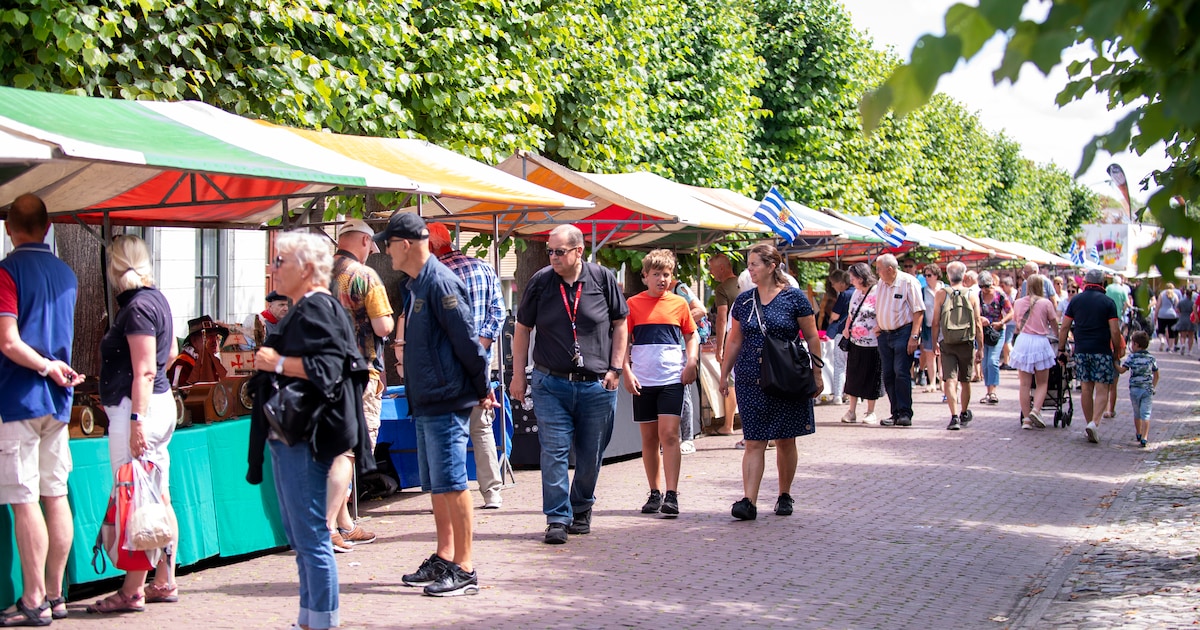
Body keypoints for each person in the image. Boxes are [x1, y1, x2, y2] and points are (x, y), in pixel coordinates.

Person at [248, 230, 373, 627]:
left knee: (312, 536)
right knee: (304, 536)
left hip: (305, 438)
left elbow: (328, 371)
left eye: (279, 262)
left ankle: (321, 620)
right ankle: (311, 617)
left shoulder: (317, 308)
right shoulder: (311, 307)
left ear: (305, 268)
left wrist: (277, 364)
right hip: (295, 436)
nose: (273, 270)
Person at [379, 214, 492, 596]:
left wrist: (482, 387)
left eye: (389, 242)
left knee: (453, 482)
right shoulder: (417, 285)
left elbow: (467, 342)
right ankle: (446, 556)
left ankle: (465, 567)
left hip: (446, 399)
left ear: (406, 244)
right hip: (428, 399)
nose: (385, 250)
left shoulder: (440, 283)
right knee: (439, 483)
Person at [509, 224, 628, 545]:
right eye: (550, 250)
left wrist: (616, 369)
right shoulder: (541, 282)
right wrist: (518, 374)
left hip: (596, 385)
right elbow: (522, 329)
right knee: (554, 452)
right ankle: (557, 518)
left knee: (591, 455)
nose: (553, 257)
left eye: (559, 251)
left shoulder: (602, 279)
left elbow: (620, 325)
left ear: (579, 251)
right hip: (551, 382)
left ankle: (582, 506)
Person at [0, 193, 85, 626]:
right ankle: (56, 594)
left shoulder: (6, 271)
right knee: (55, 495)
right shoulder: (66, 273)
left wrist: (46, 367)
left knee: (24, 498)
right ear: (48, 227)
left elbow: (9, 341)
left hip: (19, 397)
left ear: (8, 228)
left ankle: (32, 598)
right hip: (60, 402)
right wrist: (55, 367)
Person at [89, 234, 180, 614]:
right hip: (153, 404)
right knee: (156, 492)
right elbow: (170, 353)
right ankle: (164, 579)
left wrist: (137, 419)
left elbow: (144, 370)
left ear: (115, 267)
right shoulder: (155, 299)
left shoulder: (138, 307)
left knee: (136, 496)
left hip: (138, 408)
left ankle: (132, 589)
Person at [719, 244, 822, 520]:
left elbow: (812, 335)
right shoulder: (744, 301)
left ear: (771, 266)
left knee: (785, 438)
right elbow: (735, 339)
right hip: (750, 377)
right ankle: (748, 501)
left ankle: (784, 494)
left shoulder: (794, 298)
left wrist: (817, 372)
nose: (750, 270)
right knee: (754, 440)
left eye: (755, 264)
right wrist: (724, 372)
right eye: (749, 265)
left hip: (785, 375)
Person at [427, 221, 506, 508]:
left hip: (445, 365)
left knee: (450, 429)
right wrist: (480, 345)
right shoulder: (484, 267)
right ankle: (492, 492)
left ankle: (453, 493)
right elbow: (498, 311)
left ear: (432, 245)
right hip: (479, 363)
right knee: (481, 428)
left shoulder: (433, 275)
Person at [326, 218, 394, 551]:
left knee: (335, 448)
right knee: (350, 451)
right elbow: (382, 326)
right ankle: (328, 527)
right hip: (360, 372)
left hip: (323, 372)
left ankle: (344, 523)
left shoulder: (319, 272)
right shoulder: (364, 276)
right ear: (365, 242)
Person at [622, 250, 698, 516]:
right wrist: (626, 371)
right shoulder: (632, 304)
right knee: (649, 439)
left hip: (671, 378)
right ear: (645, 277)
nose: (662, 279)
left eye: (666, 275)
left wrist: (691, 361)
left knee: (670, 435)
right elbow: (623, 341)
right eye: (656, 275)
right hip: (643, 379)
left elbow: (691, 335)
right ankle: (654, 492)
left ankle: (672, 494)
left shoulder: (679, 303)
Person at [1058, 268, 1123, 444]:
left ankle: (1089, 423)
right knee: (1103, 388)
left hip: (1081, 350)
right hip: (1102, 350)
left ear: (1085, 283)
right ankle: (1094, 423)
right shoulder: (1108, 302)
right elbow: (1115, 331)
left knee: (1086, 388)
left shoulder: (1076, 300)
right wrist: (1117, 351)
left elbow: (1064, 327)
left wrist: (1061, 348)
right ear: (1103, 284)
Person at [872, 253, 924, 427]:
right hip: (885, 334)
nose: (876, 272)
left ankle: (904, 412)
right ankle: (895, 412)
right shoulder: (881, 283)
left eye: (879, 269)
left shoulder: (908, 282)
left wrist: (914, 336)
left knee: (901, 372)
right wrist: (879, 325)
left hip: (903, 331)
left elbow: (918, 311)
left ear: (890, 269)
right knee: (888, 374)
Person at [931, 261, 983, 431]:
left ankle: (953, 416)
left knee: (950, 379)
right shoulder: (972, 295)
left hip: (947, 341)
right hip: (966, 341)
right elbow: (977, 322)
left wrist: (934, 343)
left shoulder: (941, 294)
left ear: (948, 275)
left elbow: (935, 321)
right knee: (965, 379)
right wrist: (980, 346)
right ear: (964, 275)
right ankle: (964, 411)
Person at [1010, 274, 1061, 429]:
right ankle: (1036, 410)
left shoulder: (1018, 303)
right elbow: (1054, 323)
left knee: (1024, 384)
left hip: (1023, 340)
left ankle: (1026, 419)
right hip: (1040, 341)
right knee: (1042, 382)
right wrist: (1058, 338)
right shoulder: (1046, 303)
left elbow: (1017, 324)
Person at [668, 276, 709, 454]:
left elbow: (701, 309)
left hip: (683, 348)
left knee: (683, 392)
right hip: (671, 346)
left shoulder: (680, 288)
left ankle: (687, 438)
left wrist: (679, 320)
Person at [839, 263, 882, 425]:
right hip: (855, 341)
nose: (851, 281)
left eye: (853, 277)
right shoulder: (856, 293)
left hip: (873, 342)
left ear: (861, 277)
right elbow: (851, 313)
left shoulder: (878, 291)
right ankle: (852, 410)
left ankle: (871, 411)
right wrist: (847, 328)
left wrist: (880, 327)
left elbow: (882, 312)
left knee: (872, 375)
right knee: (853, 374)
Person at [707, 253, 740, 435]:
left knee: (730, 381)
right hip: (748, 338)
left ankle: (728, 425)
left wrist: (719, 347)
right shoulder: (744, 283)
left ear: (721, 268)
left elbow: (721, 318)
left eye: (712, 269)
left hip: (732, 338)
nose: (711, 273)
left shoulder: (722, 289)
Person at [1116, 331, 1158, 448]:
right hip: (1147, 389)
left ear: (1137, 345)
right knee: (1146, 414)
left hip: (1134, 389)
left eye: (1133, 344)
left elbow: (1122, 370)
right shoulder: (1151, 358)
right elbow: (1157, 374)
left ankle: (1138, 433)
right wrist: (1153, 386)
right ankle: (1145, 437)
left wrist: (1114, 363)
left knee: (1137, 413)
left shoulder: (1132, 357)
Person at [977, 271, 1012, 405]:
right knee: (985, 363)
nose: (986, 290)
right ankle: (988, 391)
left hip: (997, 331)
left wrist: (1001, 322)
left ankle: (993, 391)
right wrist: (981, 319)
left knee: (992, 360)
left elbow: (1011, 312)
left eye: (988, 286)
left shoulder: (1000, 295)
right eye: (983, 287)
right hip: (984, 332)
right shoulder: (979, 296)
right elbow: (974, 313)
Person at [165, 315, 228, 387]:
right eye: (208, 336)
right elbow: (179, 394)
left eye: (216, 336)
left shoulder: (215, 361)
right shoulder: (182, 364)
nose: (214, 341)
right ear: (194, 340)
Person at [826, 269, 852, 403]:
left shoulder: (844, 295)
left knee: (839, 364)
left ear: (841, 283)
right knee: (853, 365)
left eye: (833, 283)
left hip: (842, 333)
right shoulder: (860, 293)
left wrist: (831, 321)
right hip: (858, 334)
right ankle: (854, 396)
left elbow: (835, 316)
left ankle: (838, 395)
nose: (832, 286)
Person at [918, 264, 943, 392]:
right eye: (925, 275)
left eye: (929, 275)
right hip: (928, 326)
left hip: (943, 326)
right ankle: (932, 382)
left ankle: (943, 381)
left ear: (936, 275)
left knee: (943, 354)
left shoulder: (945, 289)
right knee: (930, 354)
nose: (926, 278)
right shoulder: (923, 291)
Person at [1000, 274, 1018, 370]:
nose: (1002, 288)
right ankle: (1006, 362)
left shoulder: (1015, 294)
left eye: (1004, 286)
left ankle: (1015, 360)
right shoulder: (1006, 294)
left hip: (1012, 321)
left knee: (1007, 341)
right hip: (1007, 321)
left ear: (1009, 285)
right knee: (1006, 342)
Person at [1155, 282, 1180, 352]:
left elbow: (1158, 305)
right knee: (1171, 332)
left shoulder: (1161, 294)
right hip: (1172, 315)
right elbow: (1177, 306)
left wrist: (1155, 315)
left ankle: (1162, 340)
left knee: (1161, 331)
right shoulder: (1175, 295)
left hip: (1162, 314)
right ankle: (1170, 347)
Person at [1176, 285, 1196, 355]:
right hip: (1191, 319)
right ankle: (1190, 351)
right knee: (1191, 335)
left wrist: (1181, 313)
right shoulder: (1193, 302)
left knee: (1182, 335)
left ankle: (1183, 344)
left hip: (1183, 317)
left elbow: (1177, 310)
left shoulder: (1181, 302)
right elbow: (1195, 310)